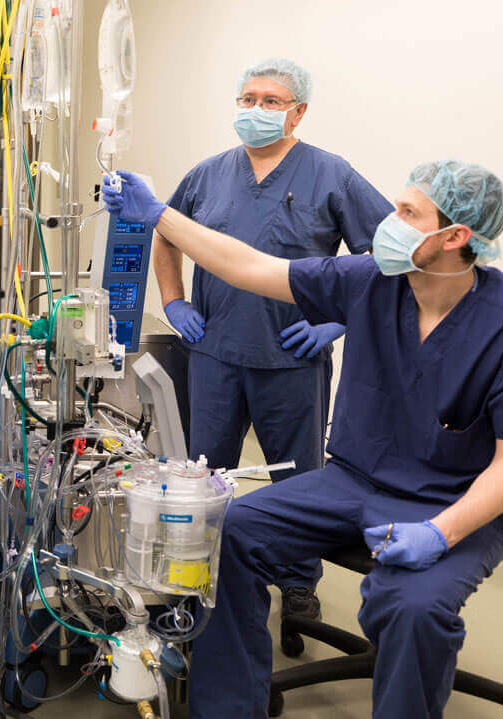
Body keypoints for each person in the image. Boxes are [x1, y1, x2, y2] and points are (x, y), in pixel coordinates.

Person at [102, 162, 503, 719]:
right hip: (355, 479)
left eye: (407, 214)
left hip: (454, 503)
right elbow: (250, 266)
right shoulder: (372, 279)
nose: (389, 224)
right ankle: (228, 708)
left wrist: (439, 533)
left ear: (455, 237)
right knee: (229, 533)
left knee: (414, 608)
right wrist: (160, 215)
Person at [152, 58, 393, 620]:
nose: (254, 110)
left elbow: (386, 256)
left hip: (291, 355)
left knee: (297, 478)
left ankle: (297, 581)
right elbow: (163, 232)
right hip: (213, 350)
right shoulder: (208, 174)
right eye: (247, 99)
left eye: (270, 101)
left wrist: (340, 319)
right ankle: (196, 574)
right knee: (205, 474)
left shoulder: (331, 174)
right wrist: (172, 300)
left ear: (298, 112)